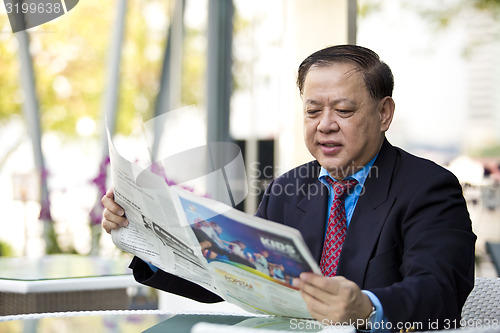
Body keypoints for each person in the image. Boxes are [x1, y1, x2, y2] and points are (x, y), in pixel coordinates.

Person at [102, 45, 476, 331]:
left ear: (383, 114)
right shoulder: (288, 188)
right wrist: (144, 237)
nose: (325, 124)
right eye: (313, 111)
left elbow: (441, 292)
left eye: (343, 110)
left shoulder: (429, 188)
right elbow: (229, 278)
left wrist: (366, 306)